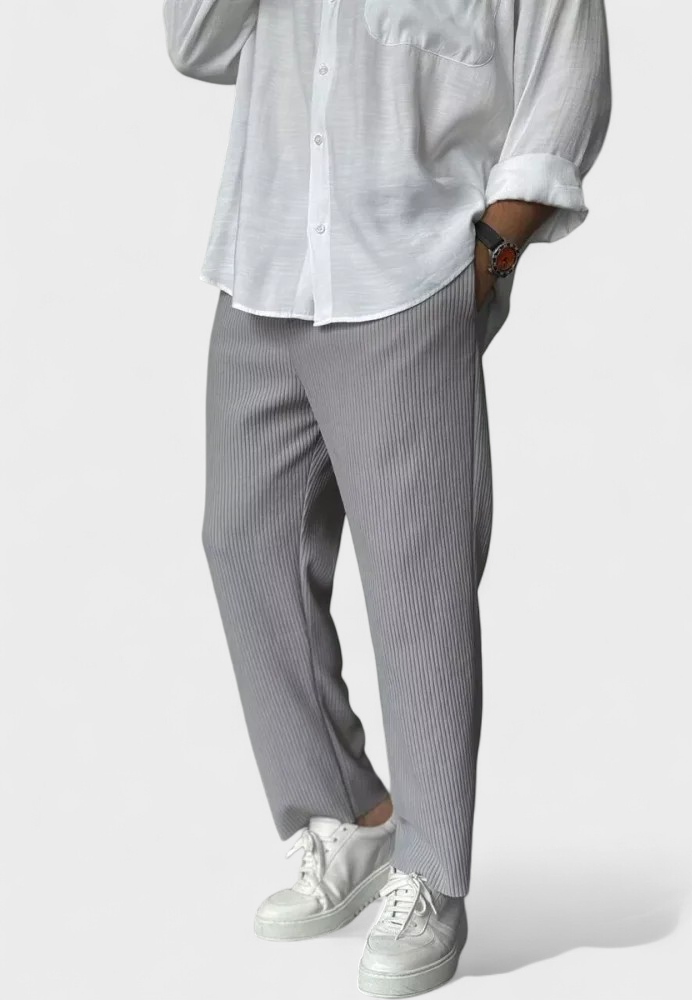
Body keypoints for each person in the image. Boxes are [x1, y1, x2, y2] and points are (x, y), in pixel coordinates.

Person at [162, 0, 611, 994]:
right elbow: (195, 44)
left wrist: (492, 255)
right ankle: (350, 816)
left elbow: (564, 86)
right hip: (263, 264)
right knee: (243, 544)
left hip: (409, 275)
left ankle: (432, 874)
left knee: (418, 583)